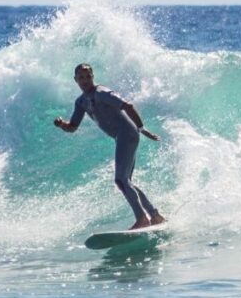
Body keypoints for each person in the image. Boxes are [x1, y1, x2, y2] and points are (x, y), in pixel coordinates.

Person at [54, 63, 166, 230]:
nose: (85, 80)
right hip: (121, 137)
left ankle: (142, 218)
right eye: (81, 77)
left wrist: (142, 128)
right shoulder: (81, 102)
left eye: (88, 76)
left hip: (127, 133)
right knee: (125, 182)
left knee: (121, 179)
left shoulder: (102, 93)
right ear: (75, 80)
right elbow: (73, 127)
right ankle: (155, 216)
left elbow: (127, 106)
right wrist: (62, 124)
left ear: (93, 77)